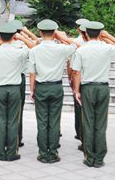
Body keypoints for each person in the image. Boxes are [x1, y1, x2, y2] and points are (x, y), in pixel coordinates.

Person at [71, 21, 115, 168]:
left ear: (87, 33)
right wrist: (109, 36)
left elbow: (76, 72)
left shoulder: (81, 50)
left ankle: (90, 157)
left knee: (88, 123)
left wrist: (76, 91)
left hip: (87, 88)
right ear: (100, 33)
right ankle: (99, 158)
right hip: (103, 88)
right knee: (101, 124)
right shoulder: (107, 48)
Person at [28, 19, 78, 163]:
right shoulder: (61, 48)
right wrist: (62, 37)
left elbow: (32, 73)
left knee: (42, 121)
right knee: (54, 121)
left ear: (40, 32)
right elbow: (76, 45)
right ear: (54, 33)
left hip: (41, 87)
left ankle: (43, 152)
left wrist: (32, 90)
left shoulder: (34, 50)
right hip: (56, 87)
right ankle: (53, 152)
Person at [0, 23, 29, 161]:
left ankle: (0, 151)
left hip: (0, 89)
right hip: (15, 89)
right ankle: (11, 152)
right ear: (13, 37)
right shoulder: (19, 52)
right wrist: (22, 38)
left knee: (0, 121)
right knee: (13, 121)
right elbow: (35, 47)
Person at [70, 18, 89, 147]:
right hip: (93, 82)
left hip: (80, 81)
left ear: (78, 29)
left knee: (79, 110)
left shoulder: (76, 43)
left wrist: (71, 79)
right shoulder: (101, 43)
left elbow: (72, 65)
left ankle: (80, 133)